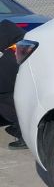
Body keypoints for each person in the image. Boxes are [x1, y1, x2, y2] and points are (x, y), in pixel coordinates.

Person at [0, 20, 26, 150]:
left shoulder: (5, 27)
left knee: (5, 94)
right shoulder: (7, 25)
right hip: (20, 50)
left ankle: (25, 134)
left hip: (17, 53)